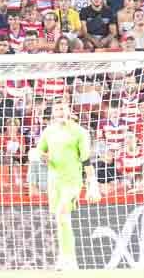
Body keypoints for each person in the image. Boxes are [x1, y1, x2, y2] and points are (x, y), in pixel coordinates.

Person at [31, 98, 100, 270]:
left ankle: (67, 258)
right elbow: (37, 151)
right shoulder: (48, 131)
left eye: (63, 109)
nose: (60, 113)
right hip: (54, 181)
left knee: (62, 212)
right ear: (53, 113)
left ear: (69, 110)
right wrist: (41, 156)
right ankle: (67, 257)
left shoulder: (79, 132)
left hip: (73, 180)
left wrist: (92, 185)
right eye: (57, 110)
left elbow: (86, 161)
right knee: (61, 219)